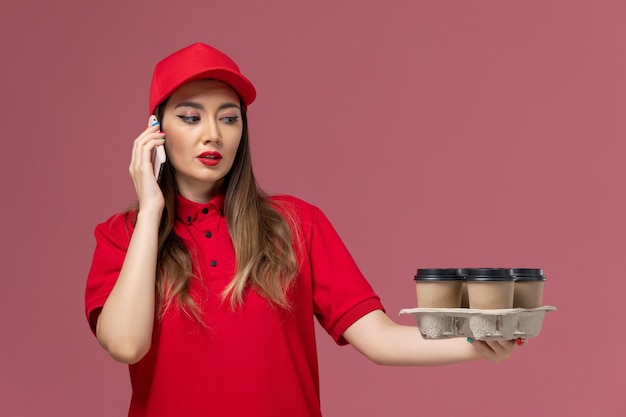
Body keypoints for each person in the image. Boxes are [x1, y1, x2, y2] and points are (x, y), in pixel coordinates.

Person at [85, 42, 518, 417]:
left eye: (229, 118)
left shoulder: (296, 224)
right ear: (155, 132)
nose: (212, 134)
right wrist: (150, 212)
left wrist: (477, 341)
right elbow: (126, 344)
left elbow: (378, 338)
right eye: (190, 117)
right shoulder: (122, 235)